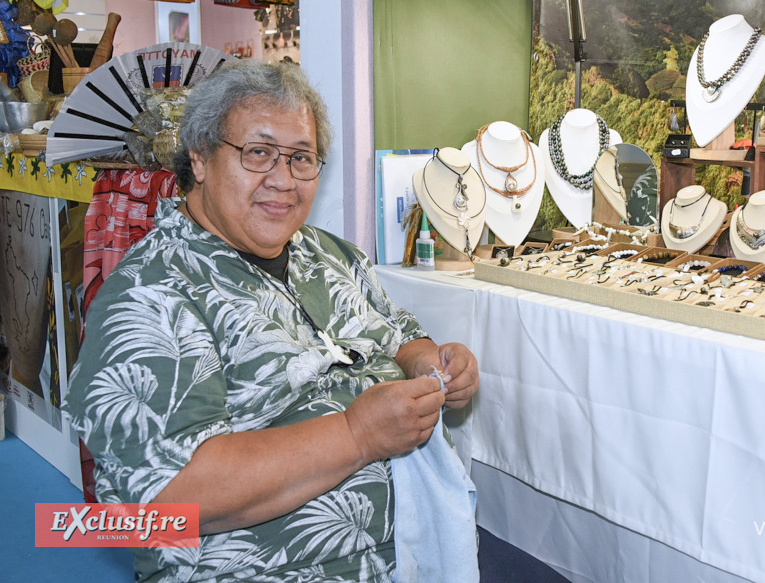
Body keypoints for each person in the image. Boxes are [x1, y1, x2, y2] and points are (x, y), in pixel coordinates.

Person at [65, 60, 479, 581]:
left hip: (417, 550)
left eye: (301, 158)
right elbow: (167, 497)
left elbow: (395, 330)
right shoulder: (150, 294)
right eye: (258, 153)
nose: (282, 180)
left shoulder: (330, 255)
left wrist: (427, 360)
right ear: (199, 158)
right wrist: (356, 435)